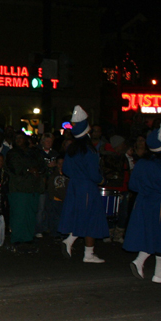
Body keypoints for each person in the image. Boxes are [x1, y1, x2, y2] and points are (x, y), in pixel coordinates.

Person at [125, 121, 161, 284]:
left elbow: (132, 185)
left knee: (150, 235)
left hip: (143, 203)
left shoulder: (142, 163)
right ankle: (159, 274)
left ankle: (139, 261)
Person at [58, 106, 108, 264]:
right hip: (87, 187)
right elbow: (94, 173)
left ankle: (85, 251)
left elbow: (65, 169)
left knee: (79, 215)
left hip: (74, 186)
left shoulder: (72, 149)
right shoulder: (89, 150)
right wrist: (101, 180)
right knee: (91, 218)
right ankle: (78, 245)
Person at [6, 131, 45, 253]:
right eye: (16, 138)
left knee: (30, 213)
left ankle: (28, 238)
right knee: (18, 214)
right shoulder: (12, 153)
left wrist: (37, 170)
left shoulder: (34, 152)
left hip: (32, 187)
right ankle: (17, 238)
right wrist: (29, 169)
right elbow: (15, 168)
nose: (18, 140)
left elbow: (42, 165)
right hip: (18, 188)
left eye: (21, 138)